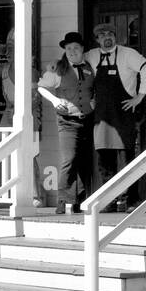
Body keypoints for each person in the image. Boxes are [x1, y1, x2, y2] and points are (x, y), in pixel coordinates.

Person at [85, 22, 146, 211]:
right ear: (97, 38)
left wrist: (139, 96)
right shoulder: (90, 56)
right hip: (102, 116)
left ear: (115, 37)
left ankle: (130, 200)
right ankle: (108, 201)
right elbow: (73, 65)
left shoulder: (128, 54)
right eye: (102, 35)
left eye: (111, 34)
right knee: (104, 161)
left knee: (127, 160)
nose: (107, 37)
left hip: (124, 115)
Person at [36, 32, 95, 212]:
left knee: (85, 161)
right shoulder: (58, 69)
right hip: (67, 121)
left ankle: (80, 201)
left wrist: (94, 102)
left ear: (82, 49)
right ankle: (63, 201)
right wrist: (55, 101)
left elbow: (95, 88)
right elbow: (41, 87)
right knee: (69, 160)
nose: (72, 51)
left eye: (75, 48)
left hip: (89, 119)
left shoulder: (91, 66)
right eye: (68, 48)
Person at [0, 28, 44, 204]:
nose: (9, 53)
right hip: (8, 111)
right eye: (8, 49)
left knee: (29, 153)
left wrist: (20, 110)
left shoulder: (30, 70)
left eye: (13, 49)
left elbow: (36, 97)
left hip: (27, 113)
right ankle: (8, 191)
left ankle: (35, 195)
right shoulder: (5, 69)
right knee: (3, 150)